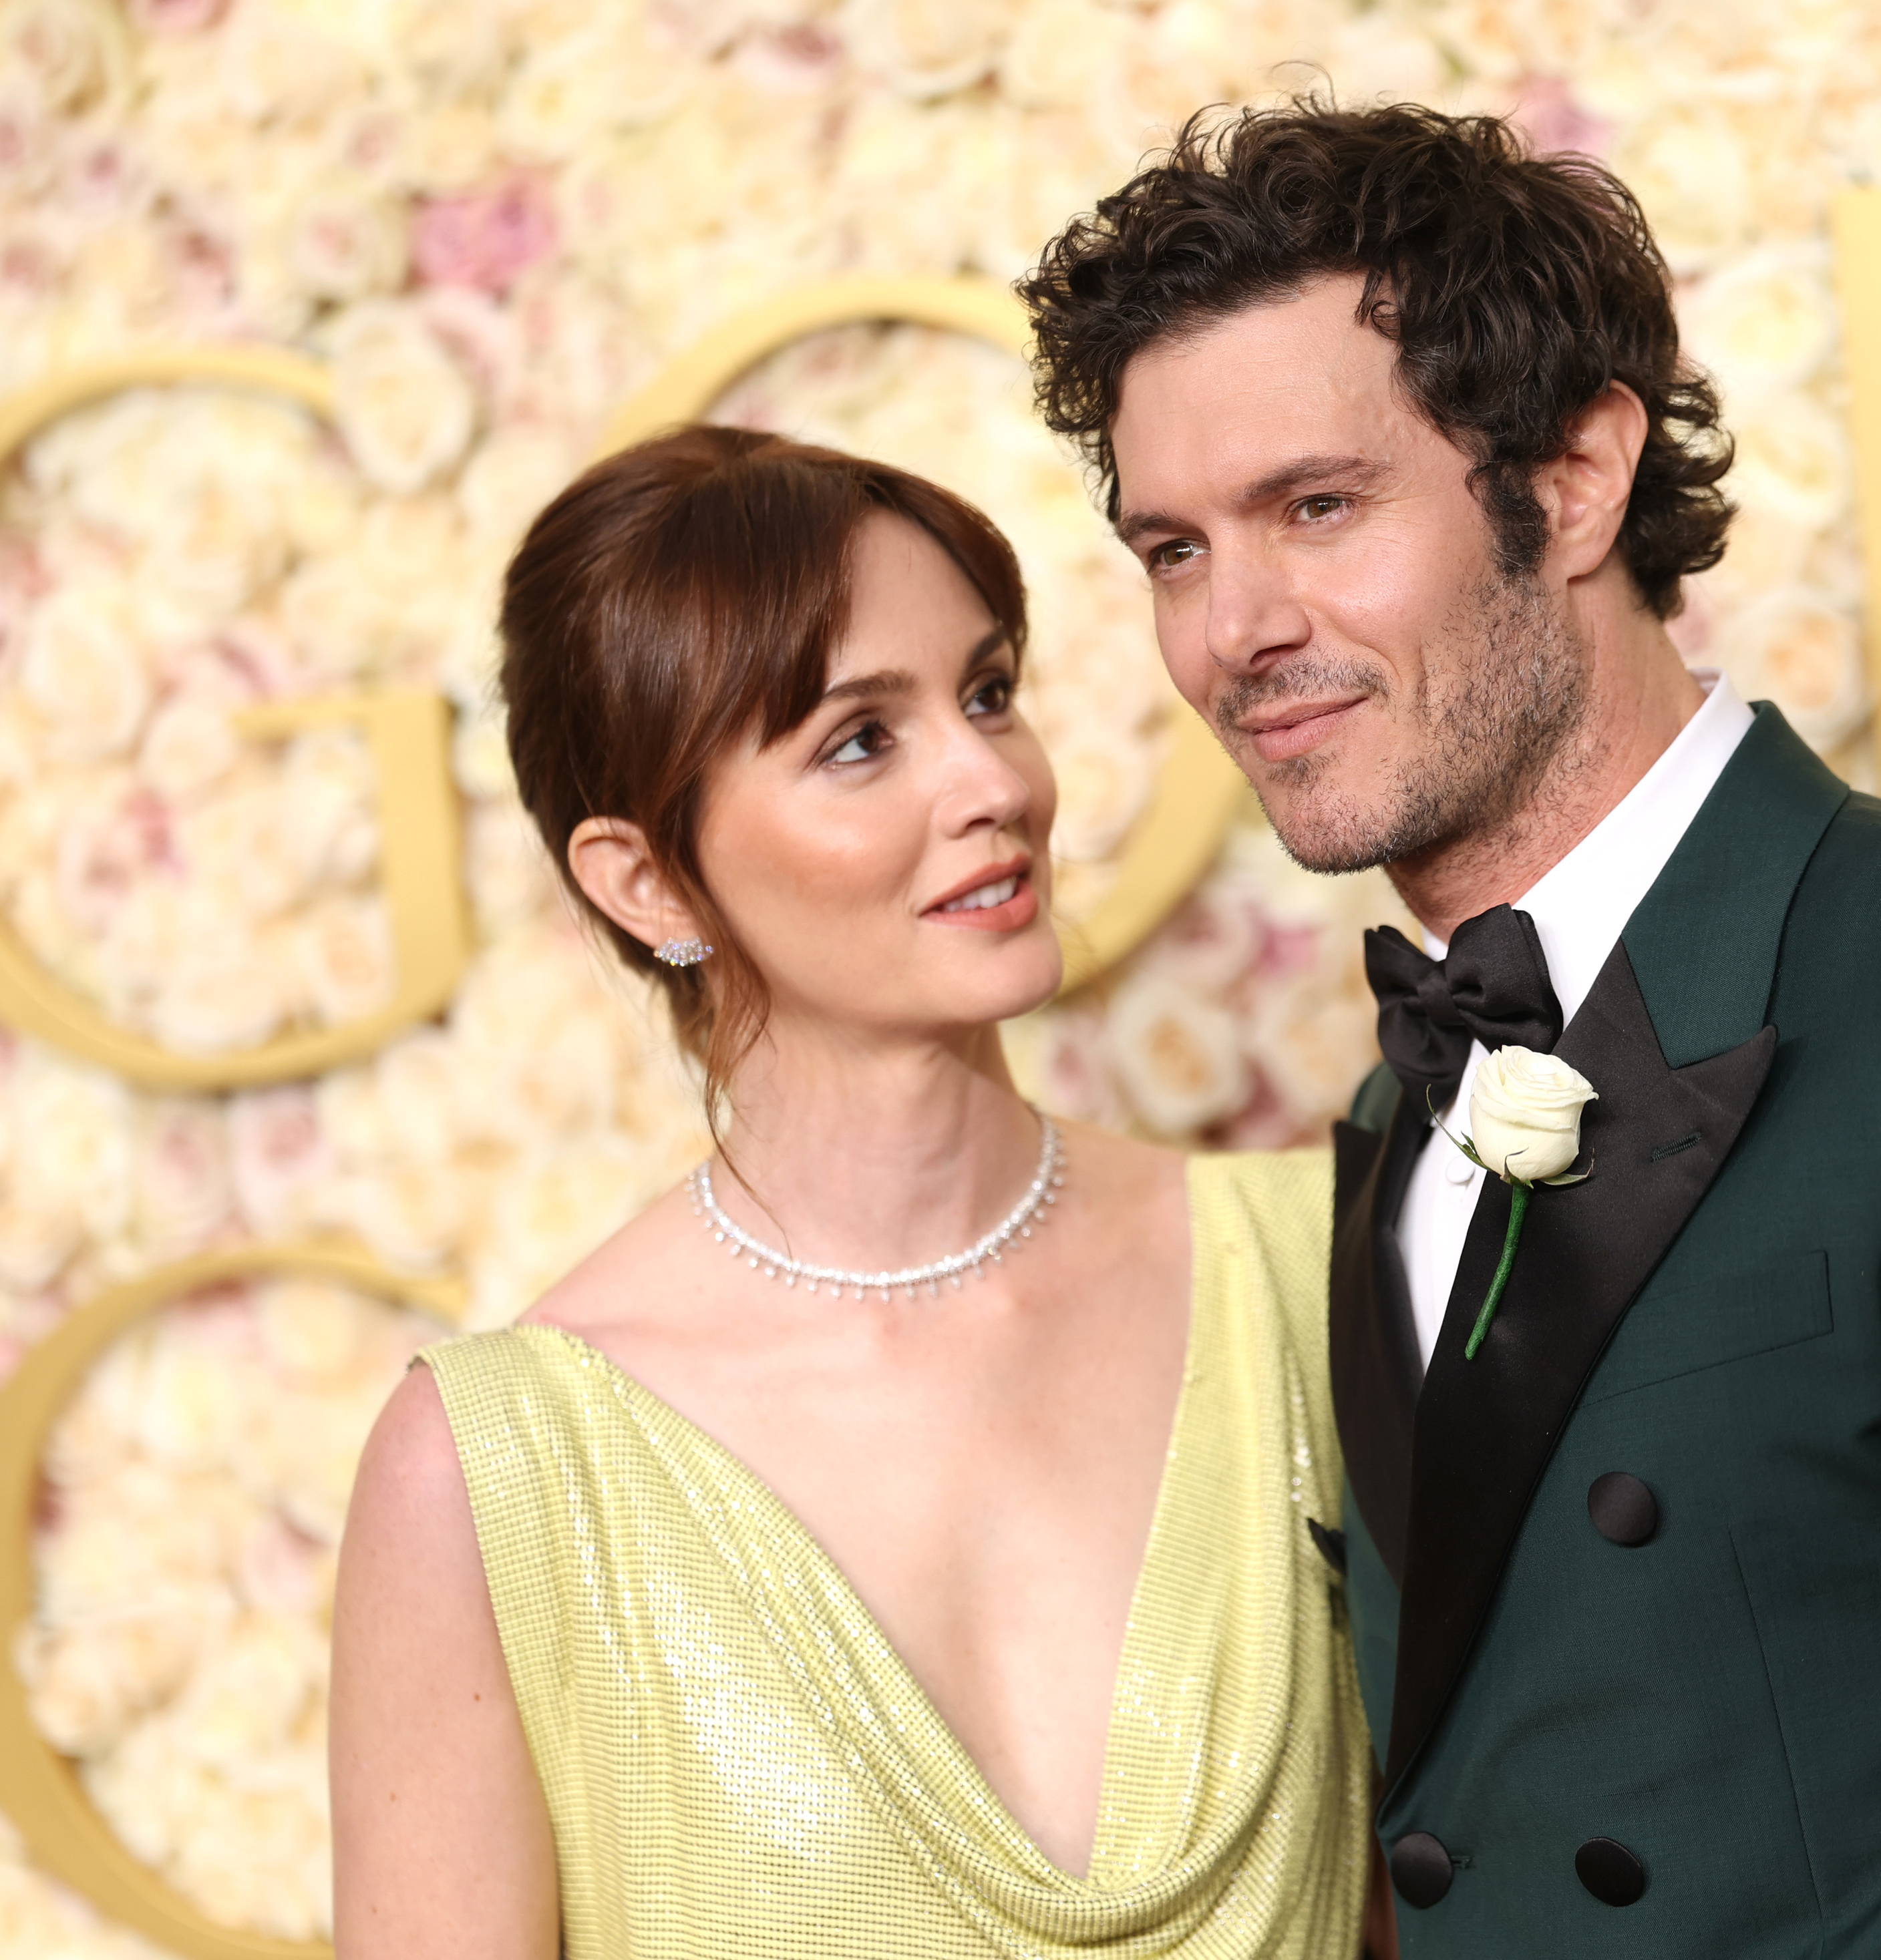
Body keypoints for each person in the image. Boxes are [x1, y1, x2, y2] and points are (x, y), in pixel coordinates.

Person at [1019, 102, 1881, 1956]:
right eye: (1173, 550)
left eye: (1316, 508)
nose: (1233, 631)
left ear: (1577, 479)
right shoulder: (1396, 1094)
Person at [327, 427, 1372, 1960]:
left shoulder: (1311, 1265)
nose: (992, 782)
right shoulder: (493, 1479)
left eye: (989, 692)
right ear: (646, 882)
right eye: (858, 740)